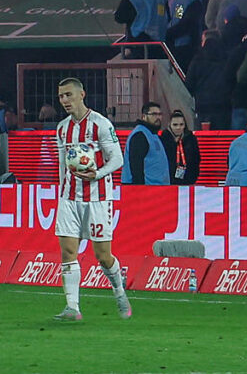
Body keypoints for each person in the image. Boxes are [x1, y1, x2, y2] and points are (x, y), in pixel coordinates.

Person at [50, 76, 131, 323]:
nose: (64, 100)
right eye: (61, 96)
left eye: (68, 95)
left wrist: (97, 173)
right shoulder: (62, 128)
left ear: (81, 95)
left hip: (98, 197)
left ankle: (119, 291)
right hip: (68, 197)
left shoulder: (101, 125)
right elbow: (63, 163)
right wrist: (63, 188)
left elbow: (117, 159)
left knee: (102, 256)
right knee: (67, 251)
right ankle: (72, 308)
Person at [121, 103, 171, 186]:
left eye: (160, 114)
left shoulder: (153, 135)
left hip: (157, 188)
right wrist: (140, 189)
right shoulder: (140, 135)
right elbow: (136, 166)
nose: (158, 117)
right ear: (144, 116)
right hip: (146, 189)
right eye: (154, 114)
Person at [164, 109, 203, 186]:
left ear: (185, 125)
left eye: (181, 124)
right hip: (168, 182)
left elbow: (196, 159)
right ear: (169, 125)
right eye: (175, 125)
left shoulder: (191, 139)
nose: (178, 127)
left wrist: (193, 177)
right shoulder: (164, 139)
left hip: (188, 180)